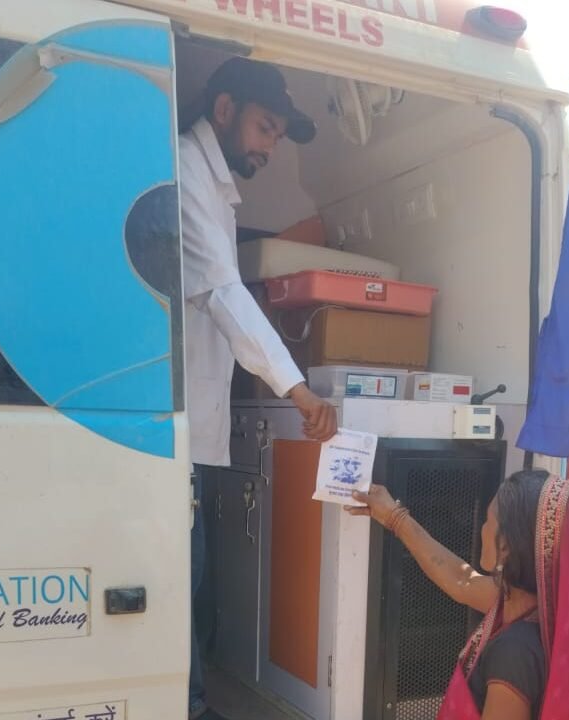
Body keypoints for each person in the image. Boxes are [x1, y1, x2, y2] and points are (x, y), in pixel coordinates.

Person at [180, 57, 338, 720]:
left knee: (192, 577)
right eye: (264, 127)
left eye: (276, 134)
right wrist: (297, 390)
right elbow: (224, 294)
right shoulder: (185, 170)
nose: (269, 146)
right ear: (224, 110)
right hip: (174, 429)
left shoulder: (216, 188)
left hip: (197, 430)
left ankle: (192, 701)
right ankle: (189, 707)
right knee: (182, 577)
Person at [347, 469, 569, 720]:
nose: (482, 528)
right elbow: (462, 580)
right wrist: (394, 517)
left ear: (506, 547)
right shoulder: (547, 613)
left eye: (488, 520)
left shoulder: (515, 652)